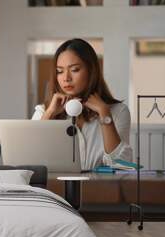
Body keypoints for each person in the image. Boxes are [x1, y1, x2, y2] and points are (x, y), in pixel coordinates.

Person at [32, 38, 133, 170]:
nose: (66, 78)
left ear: (91, 71)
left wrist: (104, 112)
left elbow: (121, 164)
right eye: (60, 71)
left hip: (99, 188)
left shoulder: (118, 111)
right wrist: (49, 114)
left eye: (74, 69)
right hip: (54, 187)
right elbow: (29, 159)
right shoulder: (43, 111)